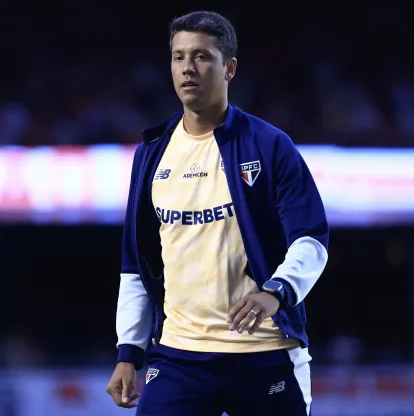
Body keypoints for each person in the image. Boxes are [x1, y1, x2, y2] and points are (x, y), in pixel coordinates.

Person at [105, 10, 329, 416]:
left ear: (229, 68)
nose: (187, 68)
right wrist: (128, 351)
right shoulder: (152, 153)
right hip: (179, 357)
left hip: (264, 353)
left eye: (202, 57)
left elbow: (311, 241)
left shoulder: (270, 145)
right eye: (178, 57)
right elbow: (135, 264)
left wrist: (275, 293)